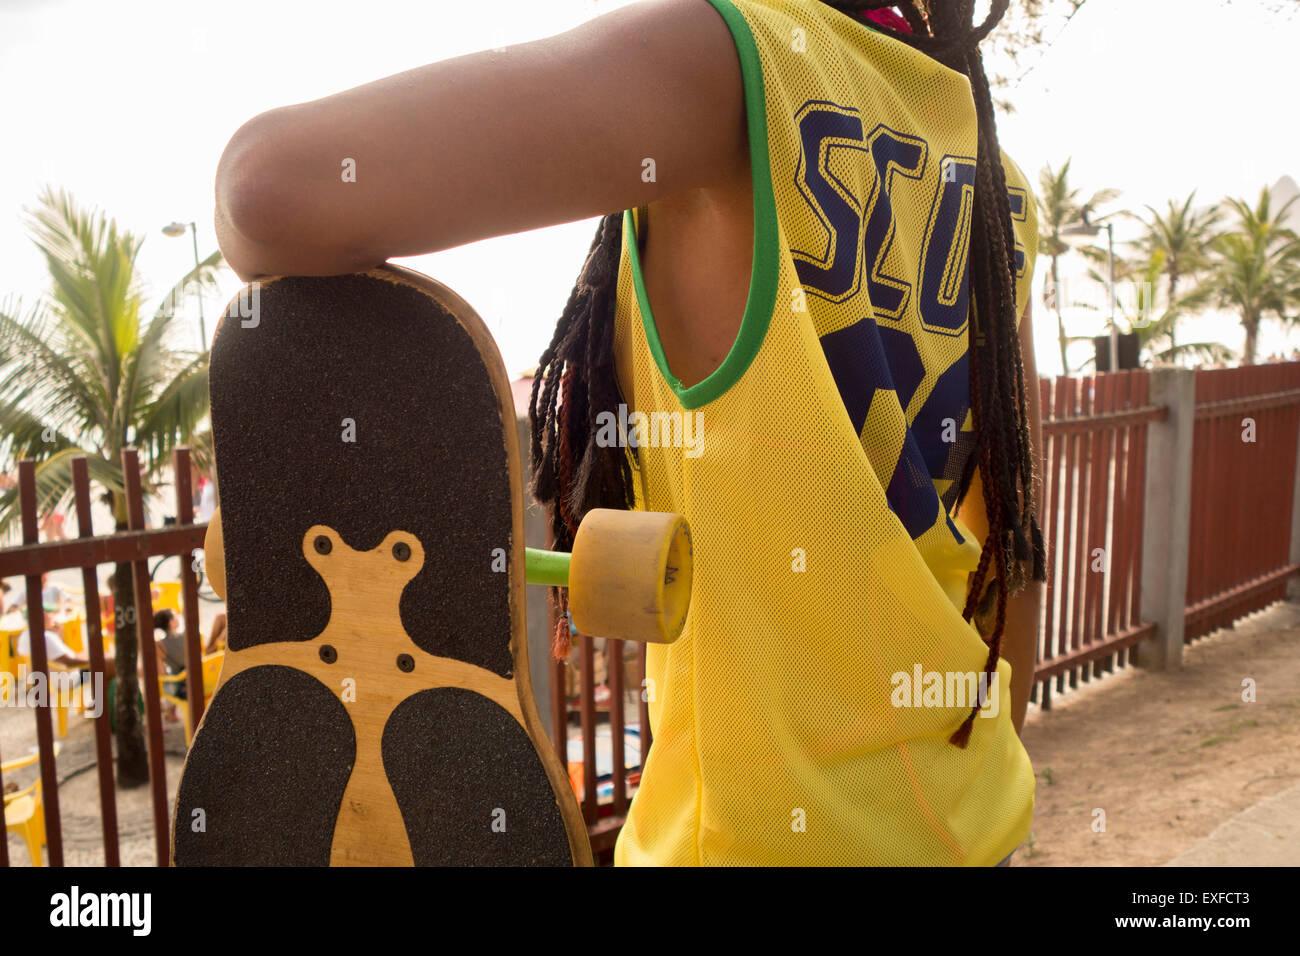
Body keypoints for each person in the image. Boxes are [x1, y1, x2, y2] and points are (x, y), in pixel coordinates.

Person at [212, 0, 1044, 866]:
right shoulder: (993, 176)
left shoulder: (723, 60)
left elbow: (266, 188)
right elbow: (1016, 547)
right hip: (969, 818)